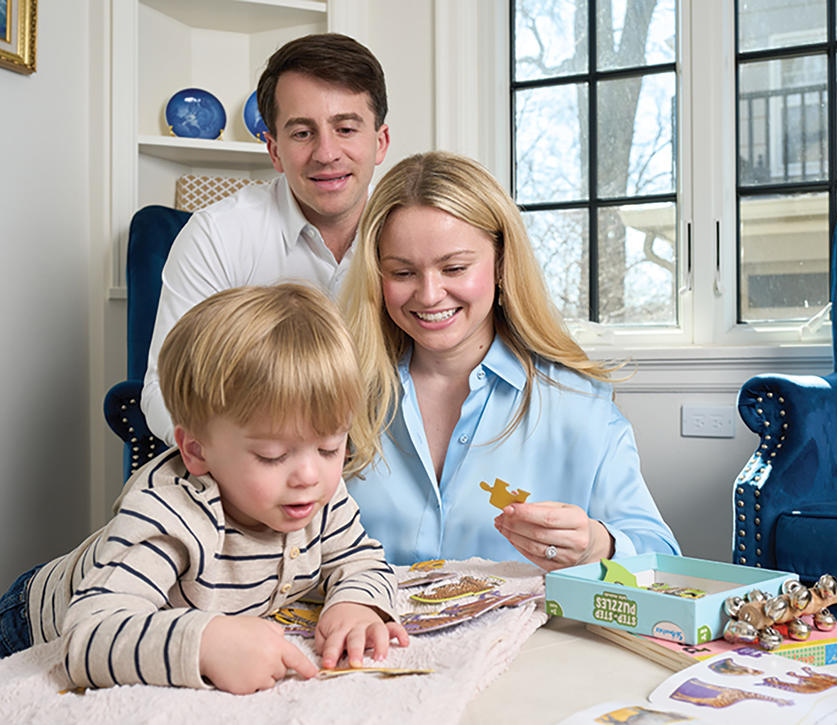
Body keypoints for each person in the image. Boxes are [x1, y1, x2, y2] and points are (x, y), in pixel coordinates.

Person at [0, 283, 407, 693]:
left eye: (330, 446)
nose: (309, 475)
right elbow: (87, 637)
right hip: (28, 625)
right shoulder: (170, 514)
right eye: (270, 456)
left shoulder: (318, 495)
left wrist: (357, 603)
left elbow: (360, 560)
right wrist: (205, 642)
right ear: (196, 451)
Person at [342, 151, 680, 571]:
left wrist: (599, 546)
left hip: (531, 638)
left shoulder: (577, 401)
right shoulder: (339, 395)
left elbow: (663, 558)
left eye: (455, 267)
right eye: (403, 273)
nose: (429, 295)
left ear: (501, 263)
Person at [141, 32, 391, 444]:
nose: (326, 153)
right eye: (302, 133)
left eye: (345, 128)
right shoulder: (217, 235)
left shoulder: (415, 236)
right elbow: (165, 392)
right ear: (273, 150)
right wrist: (250, 464)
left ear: (379, 142)